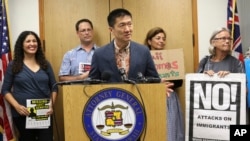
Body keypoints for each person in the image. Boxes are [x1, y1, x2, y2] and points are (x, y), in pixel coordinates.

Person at [1, 31, 58, 141]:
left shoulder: (45, 64)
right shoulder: (14, 64)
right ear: (21, 45)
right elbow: (5, 90)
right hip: (23, 115)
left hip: (43, 113)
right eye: (28, 41)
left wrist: (52, 104)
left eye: (34, 41)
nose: (32, 44)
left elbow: (54, 87)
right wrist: (17, 106)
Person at [144, 27, 185, 141]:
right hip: (150, 96)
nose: (161, 41)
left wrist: (167, 81)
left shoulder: (171, 58)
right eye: (158, 38)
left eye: (163, 38)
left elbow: (179, 81)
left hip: (169, 97)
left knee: (171, 128)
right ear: (149, 41)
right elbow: (140, 80)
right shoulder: (143, 58)